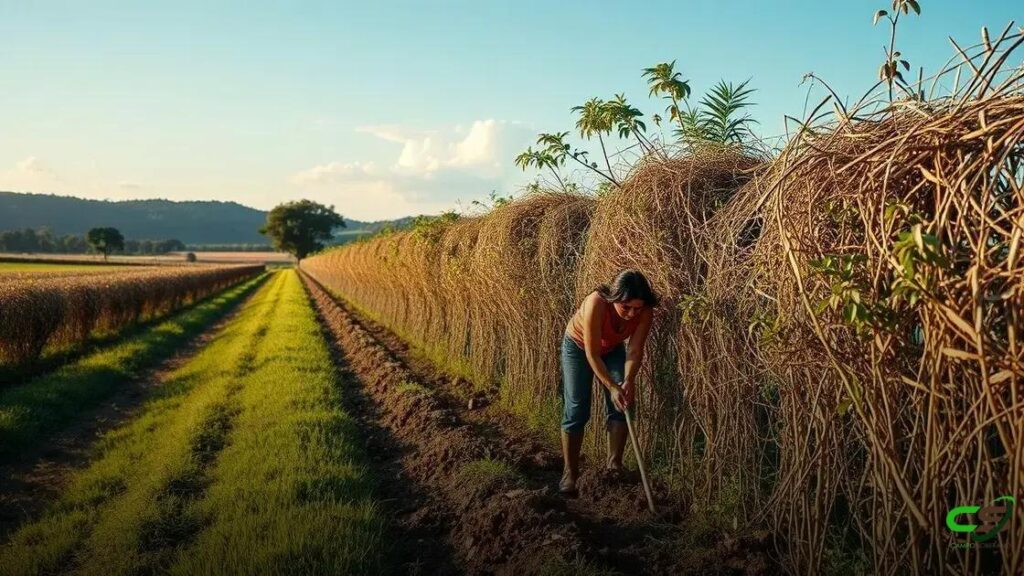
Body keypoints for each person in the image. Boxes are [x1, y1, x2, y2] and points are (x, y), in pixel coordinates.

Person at [559, 269, 658, 495]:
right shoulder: (596, 303)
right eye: (626, 307)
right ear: (615, 298)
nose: (632, 314)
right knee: (576, 407)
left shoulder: (645, 312)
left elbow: (634, 350)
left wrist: (627, 381)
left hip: (612, 348)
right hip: (578, 347)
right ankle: (570, 473)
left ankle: (614, 466)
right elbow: (592, 354)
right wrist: (611, 386)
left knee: (622, 402)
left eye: (637, 308)